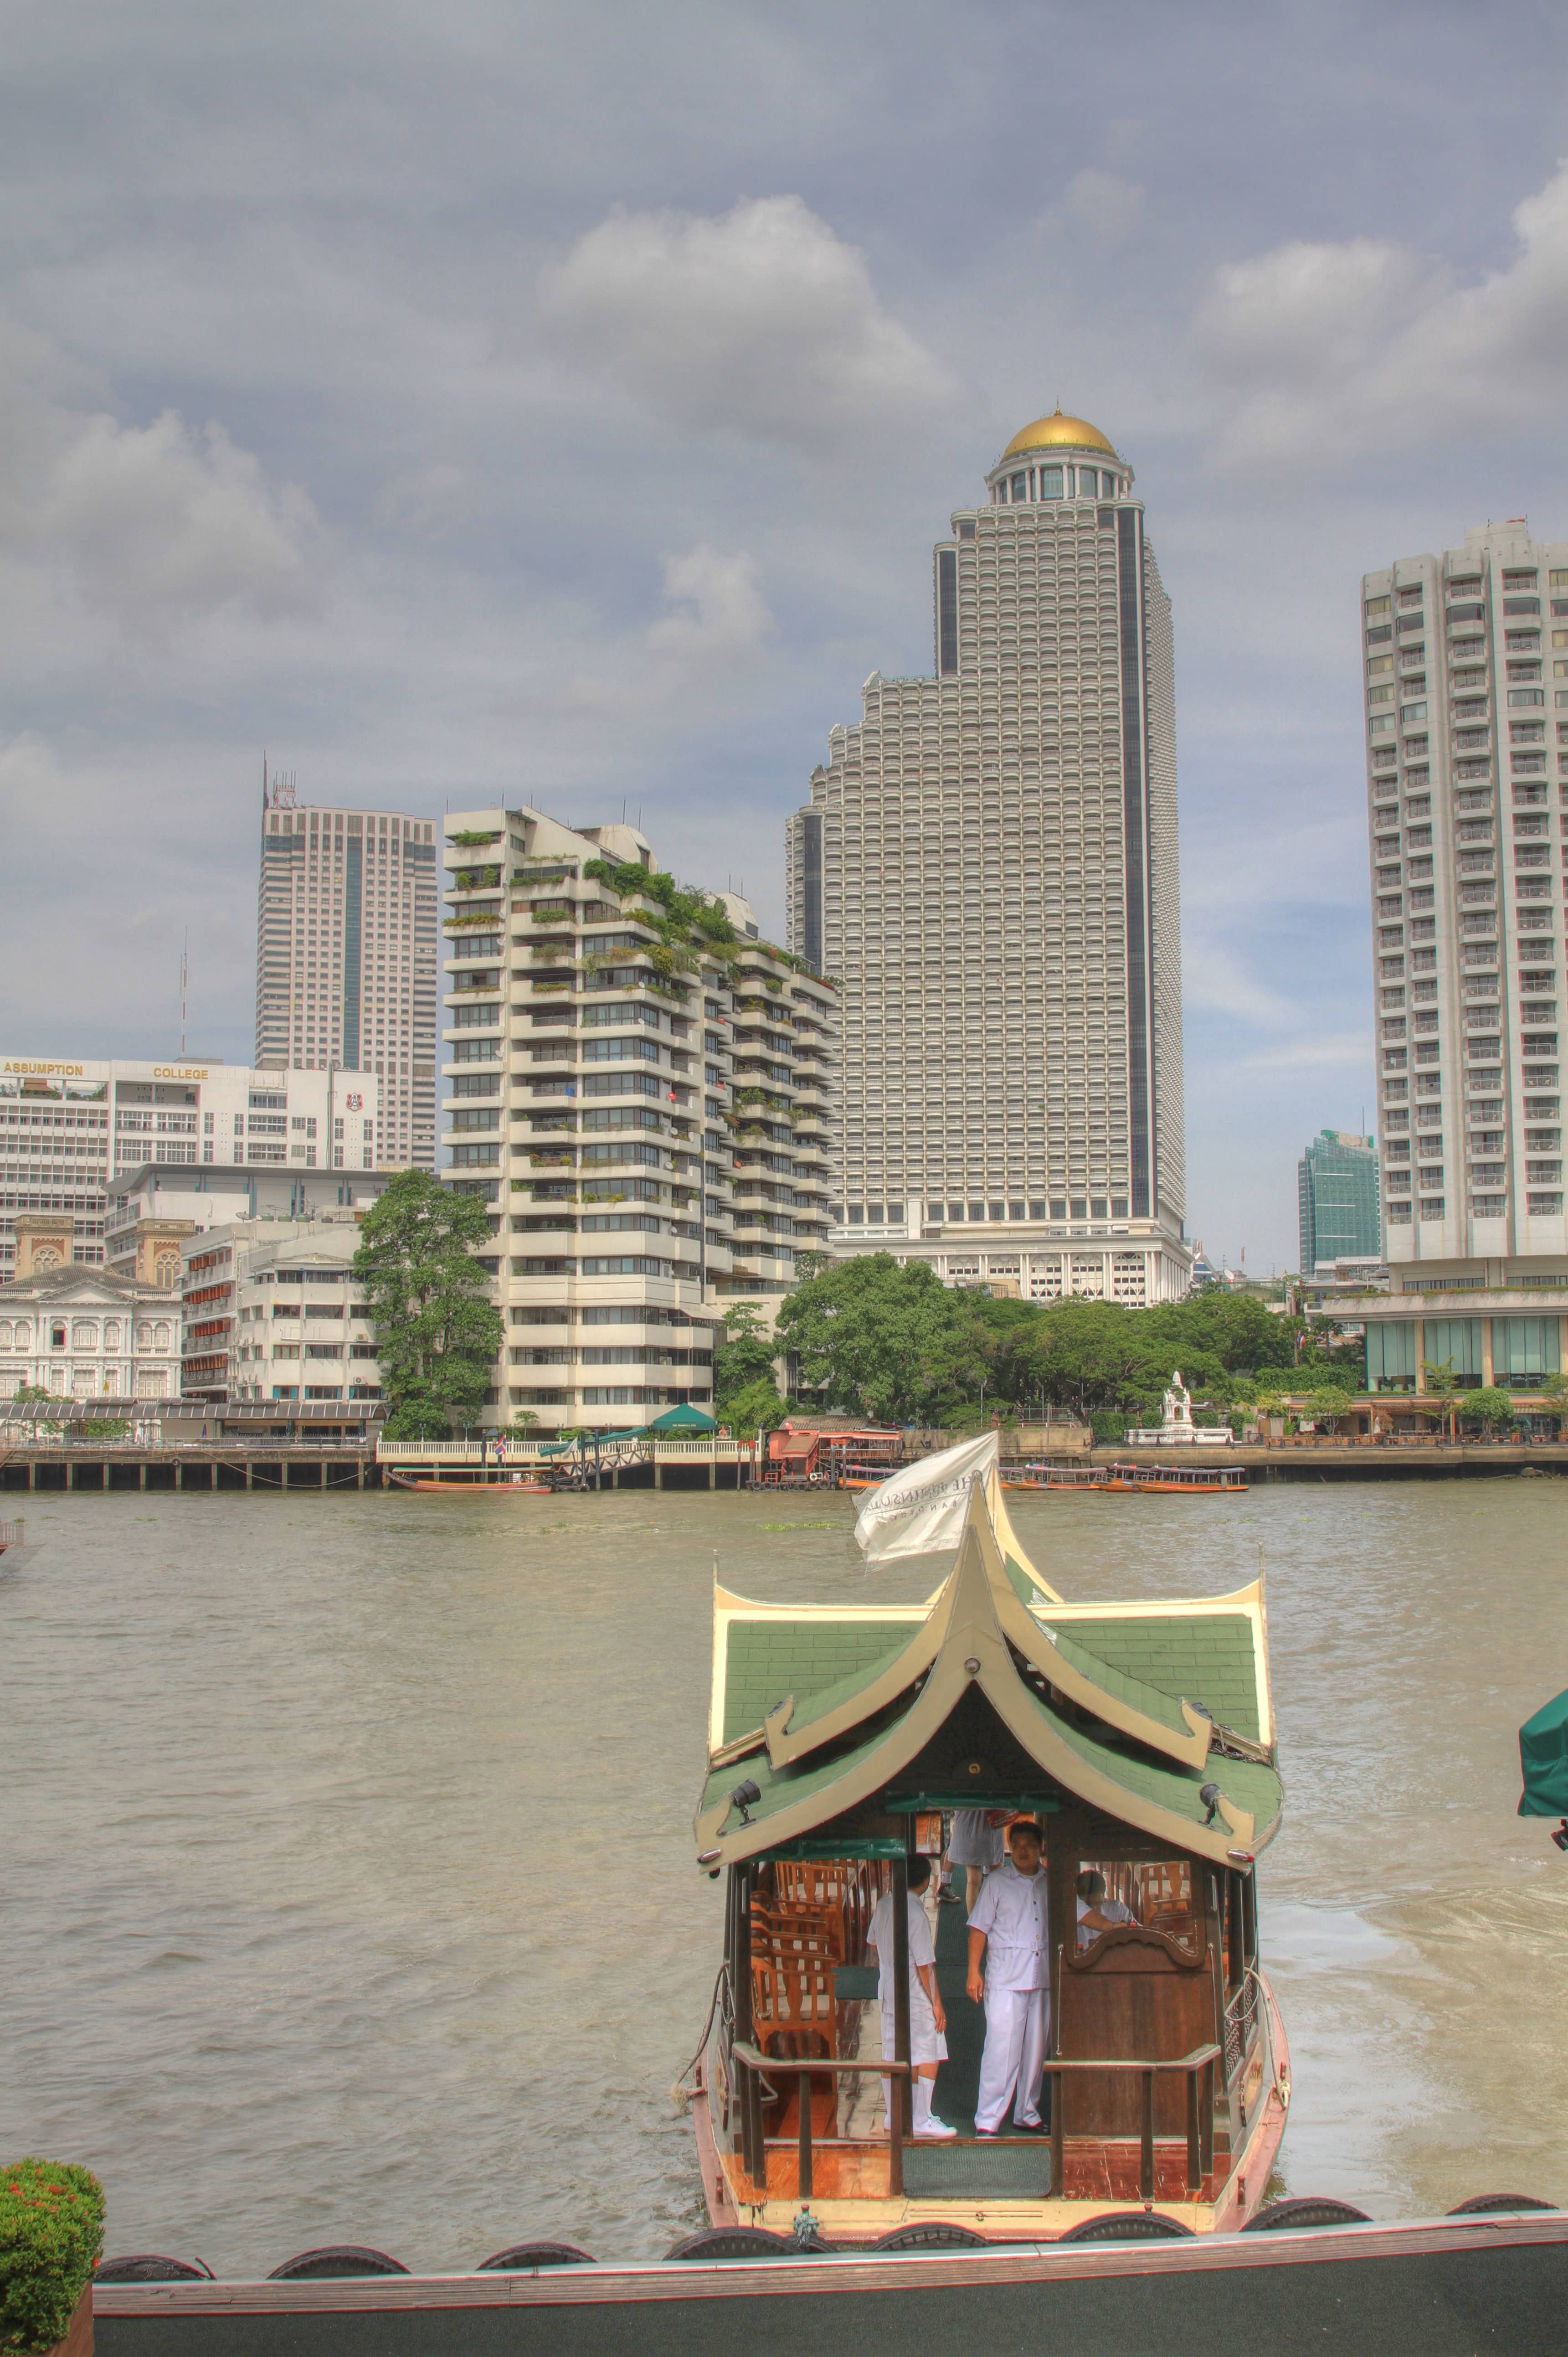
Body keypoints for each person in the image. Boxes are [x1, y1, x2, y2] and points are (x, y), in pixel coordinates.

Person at [967, 1817, 1051, 2136]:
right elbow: (978, 1928)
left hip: (1040, 1975)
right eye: (1016, 1846)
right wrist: (974, 1971)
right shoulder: (997, 1882)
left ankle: (1026, 2112)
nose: (1023, 1851)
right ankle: (987, 2119)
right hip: (1004, 1977)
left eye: (1029, 1845)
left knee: (1035, 2050)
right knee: (1001, 2049)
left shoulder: (1048, 1880)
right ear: (1009, 1848)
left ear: (1041, 1847)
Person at [867, 1858, 956, 2140]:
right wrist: (937, 2004)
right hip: (914, 1990)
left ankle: (895, 2116)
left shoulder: (883, 1904)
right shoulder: (916, 1915)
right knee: (929, 2048)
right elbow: (924, 1965)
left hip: (889, 1985)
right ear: (926, 1882)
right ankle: (921, 2117)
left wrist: (890, 1961)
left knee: (892, 2049)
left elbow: (872, 1942)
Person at [947, 1806, 1009, 1913]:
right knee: (997, 1877)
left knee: (974, 1881)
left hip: (969, 1816)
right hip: (989, 1816)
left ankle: (974, 1926)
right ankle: (999, 1922)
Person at [1075, 1868, 1137, 1949]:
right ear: (1079, 1902)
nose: (1094, 1908)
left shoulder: (1118, 1910)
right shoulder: (1073, 1911)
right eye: (1088, 1905)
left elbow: (1138, 1935)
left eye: (1098, 1903)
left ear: (1104, 1898)